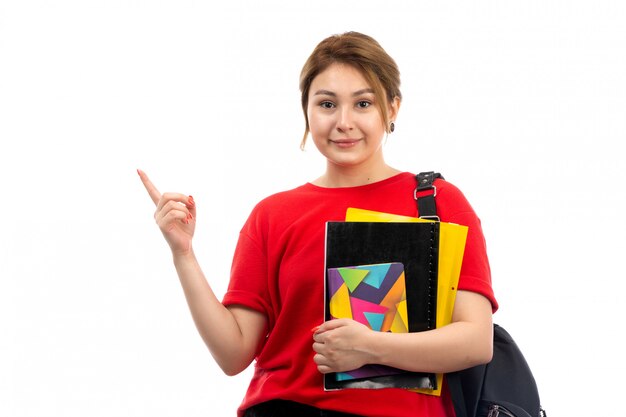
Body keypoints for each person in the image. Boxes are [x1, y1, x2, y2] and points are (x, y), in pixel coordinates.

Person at [138, 31, 498, 417]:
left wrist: (371, 346)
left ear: (393, 108)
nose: (344, 122)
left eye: (363, 103)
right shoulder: (273, 214)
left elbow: (476, 341)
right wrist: (184, 254)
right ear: (307, 112)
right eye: (327, 104)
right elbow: (233, 354)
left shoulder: (437, 201)